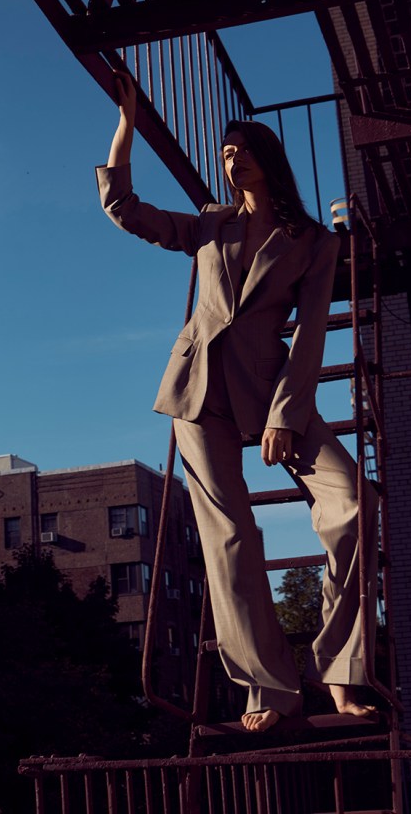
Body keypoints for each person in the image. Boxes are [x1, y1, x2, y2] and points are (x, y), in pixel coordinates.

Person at [97, 71, 379, 732]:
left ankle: (340, 672)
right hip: (196, 391)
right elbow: (125, 209)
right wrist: (126, 127)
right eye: (225, 153)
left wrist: (286, 414)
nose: (233, 159)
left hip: (272, 387)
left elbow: (311, 334)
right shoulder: (209, 225)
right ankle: (269, 689)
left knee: (352, 504)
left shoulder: (313, 242)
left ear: (268, 159)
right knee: (230, 538)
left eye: (243, 149)